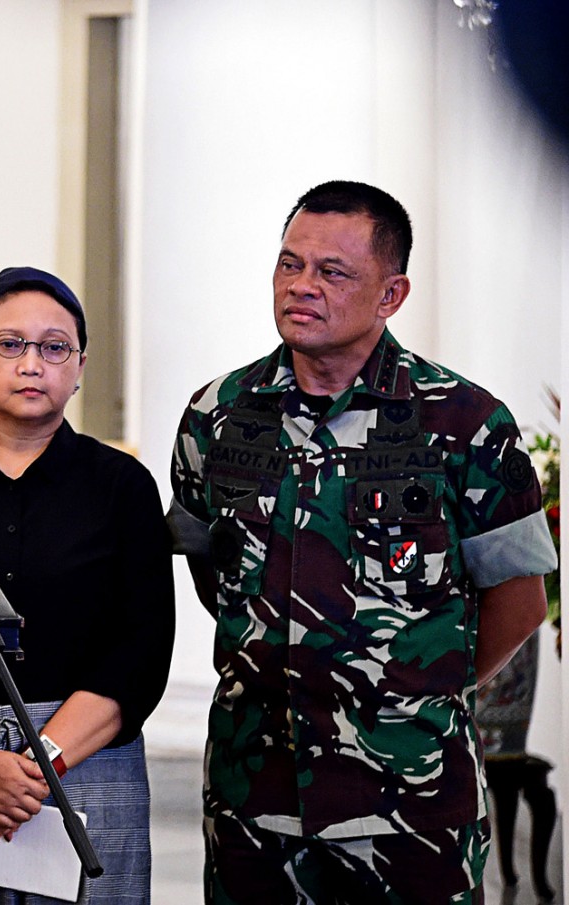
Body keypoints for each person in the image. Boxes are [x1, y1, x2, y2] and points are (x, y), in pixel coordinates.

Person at [167, 181, 557, 904]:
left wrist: (420, 694)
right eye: (290, 265)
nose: (301, 286)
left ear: (391, 293)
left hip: (411, 808)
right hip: (256, 798)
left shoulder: (464, 423)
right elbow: (209, 570)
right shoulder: (216, 417)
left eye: (332, 271)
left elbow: (521, 600)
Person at [0, 267, 176, 904]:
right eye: (10, 344)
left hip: (85, 757)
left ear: (78, 367)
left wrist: (33, 766)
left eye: (54, 347)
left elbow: (141, 651)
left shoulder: (122, 486)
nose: (32, 364)